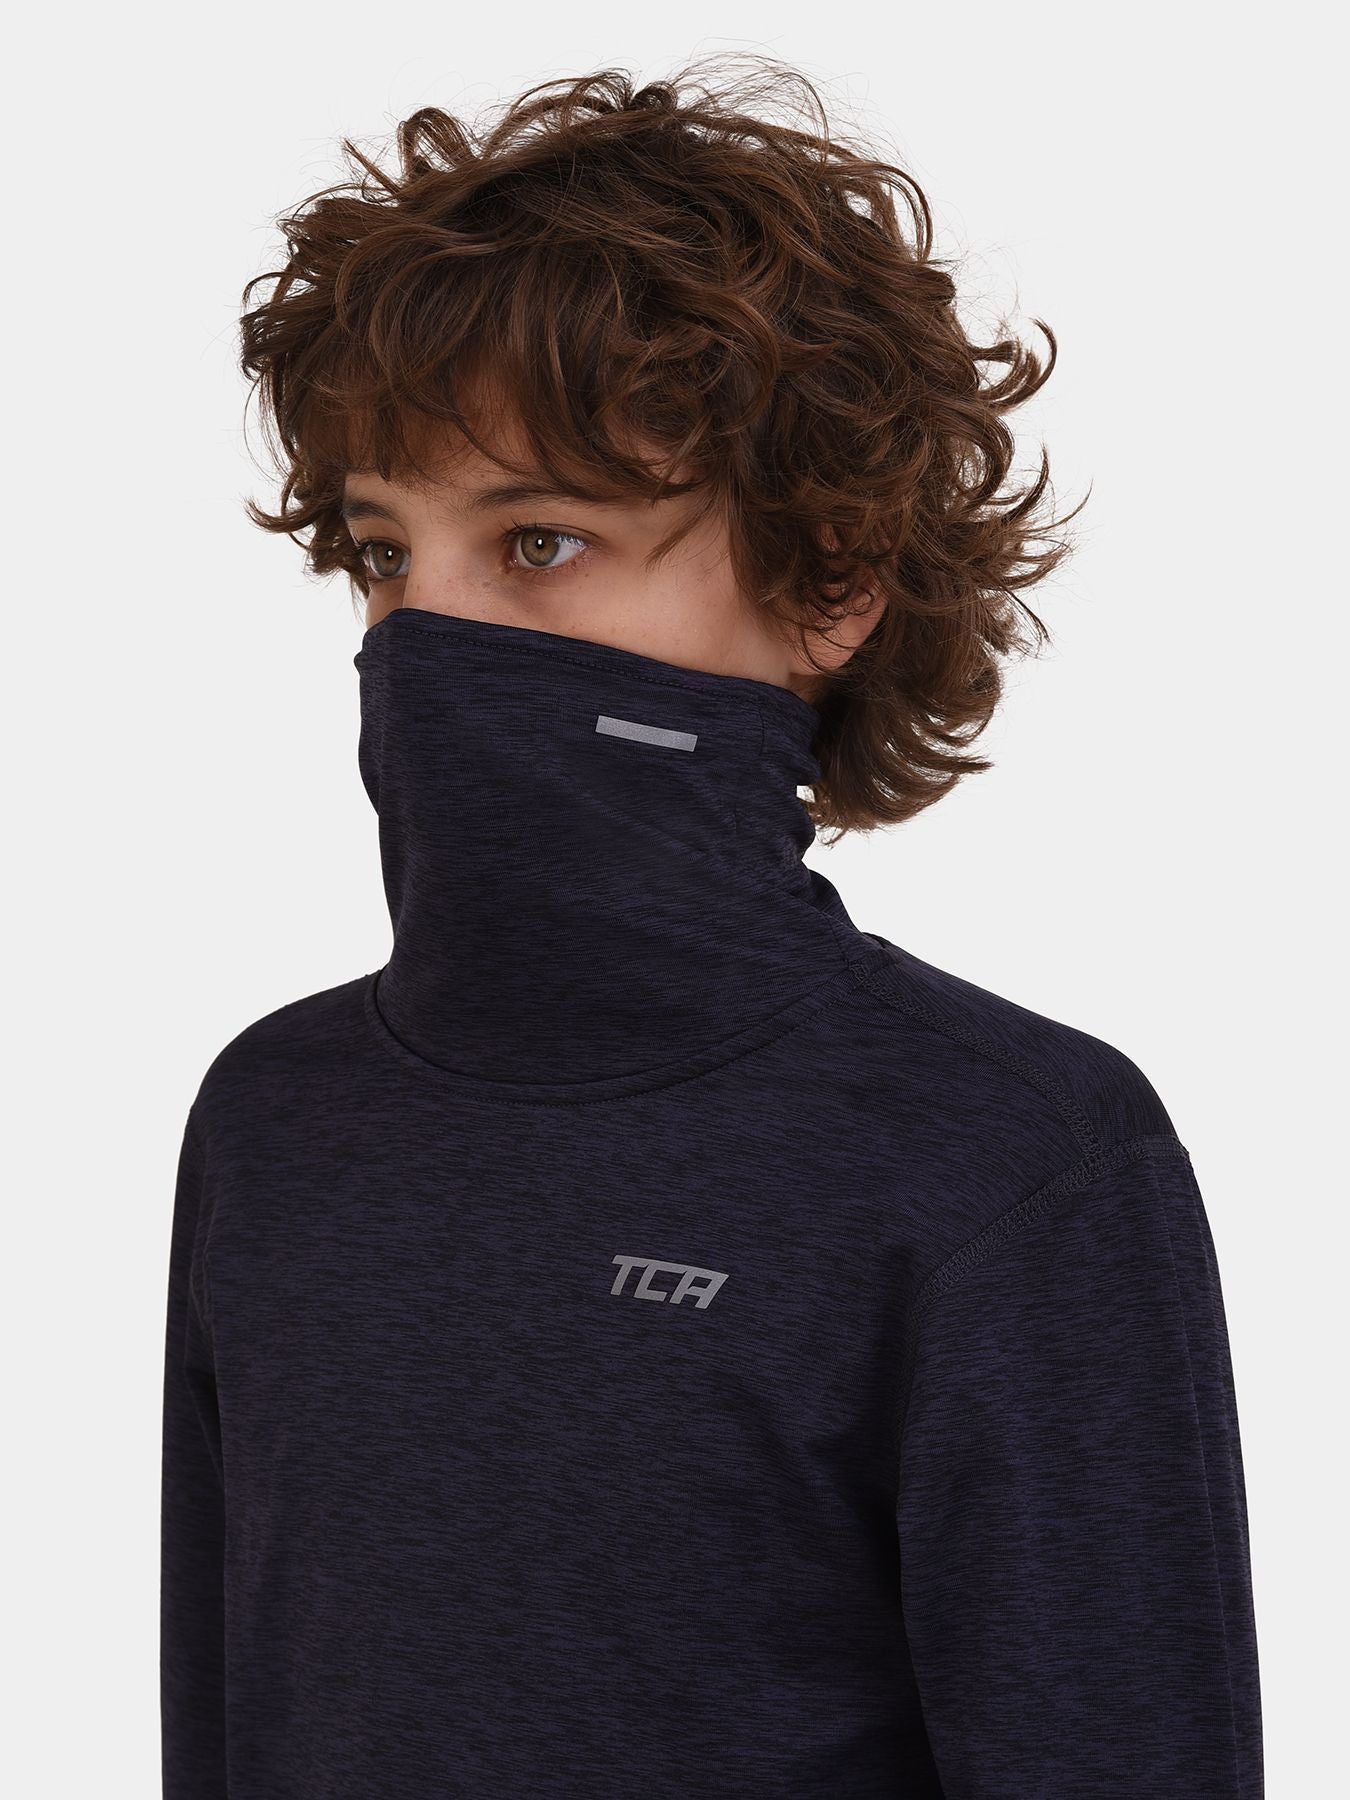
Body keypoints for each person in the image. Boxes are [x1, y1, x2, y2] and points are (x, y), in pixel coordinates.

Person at [160, 56, 1264, 1799]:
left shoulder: (1007, 1155)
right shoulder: (274, 1118)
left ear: (830, 579)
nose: (422, 639)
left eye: (540, 542)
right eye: (381, 553)